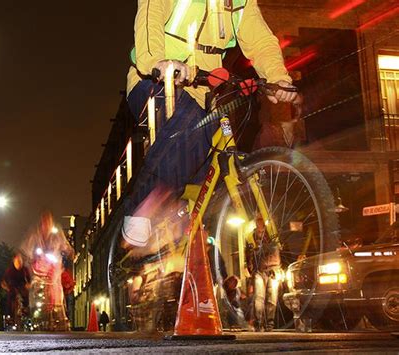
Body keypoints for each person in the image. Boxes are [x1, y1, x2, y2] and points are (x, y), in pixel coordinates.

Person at [123, 0, 299, 247]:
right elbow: (149, 16)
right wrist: (157, 61)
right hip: (157, 81)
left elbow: (260, 40)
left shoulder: (240, 1)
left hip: (206, 91)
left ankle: (183, 232)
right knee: (190, 122)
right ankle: (140, 207)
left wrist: (277, 77)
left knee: (216, 155)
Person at [247, 215, 281, 332]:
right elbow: (249, 255)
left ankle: (268, 325)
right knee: (260, 298)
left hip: (272, 269)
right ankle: (260, 324)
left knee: (271, 298)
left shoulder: (271, 235)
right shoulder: (253, 236)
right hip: (261, 270)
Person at [1, 253, 31, 320]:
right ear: (14, 261)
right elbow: (3, 280)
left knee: (25, 293)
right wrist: (5, 286)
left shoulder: (25, 269)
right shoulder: (9, 270)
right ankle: (10, 315)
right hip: (12, 285)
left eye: (20, 262)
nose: (19, 264)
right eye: (17, 262)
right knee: (10, 296)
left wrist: (28, 284)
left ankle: (25, 307)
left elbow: (29, 279)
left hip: (21, 285)